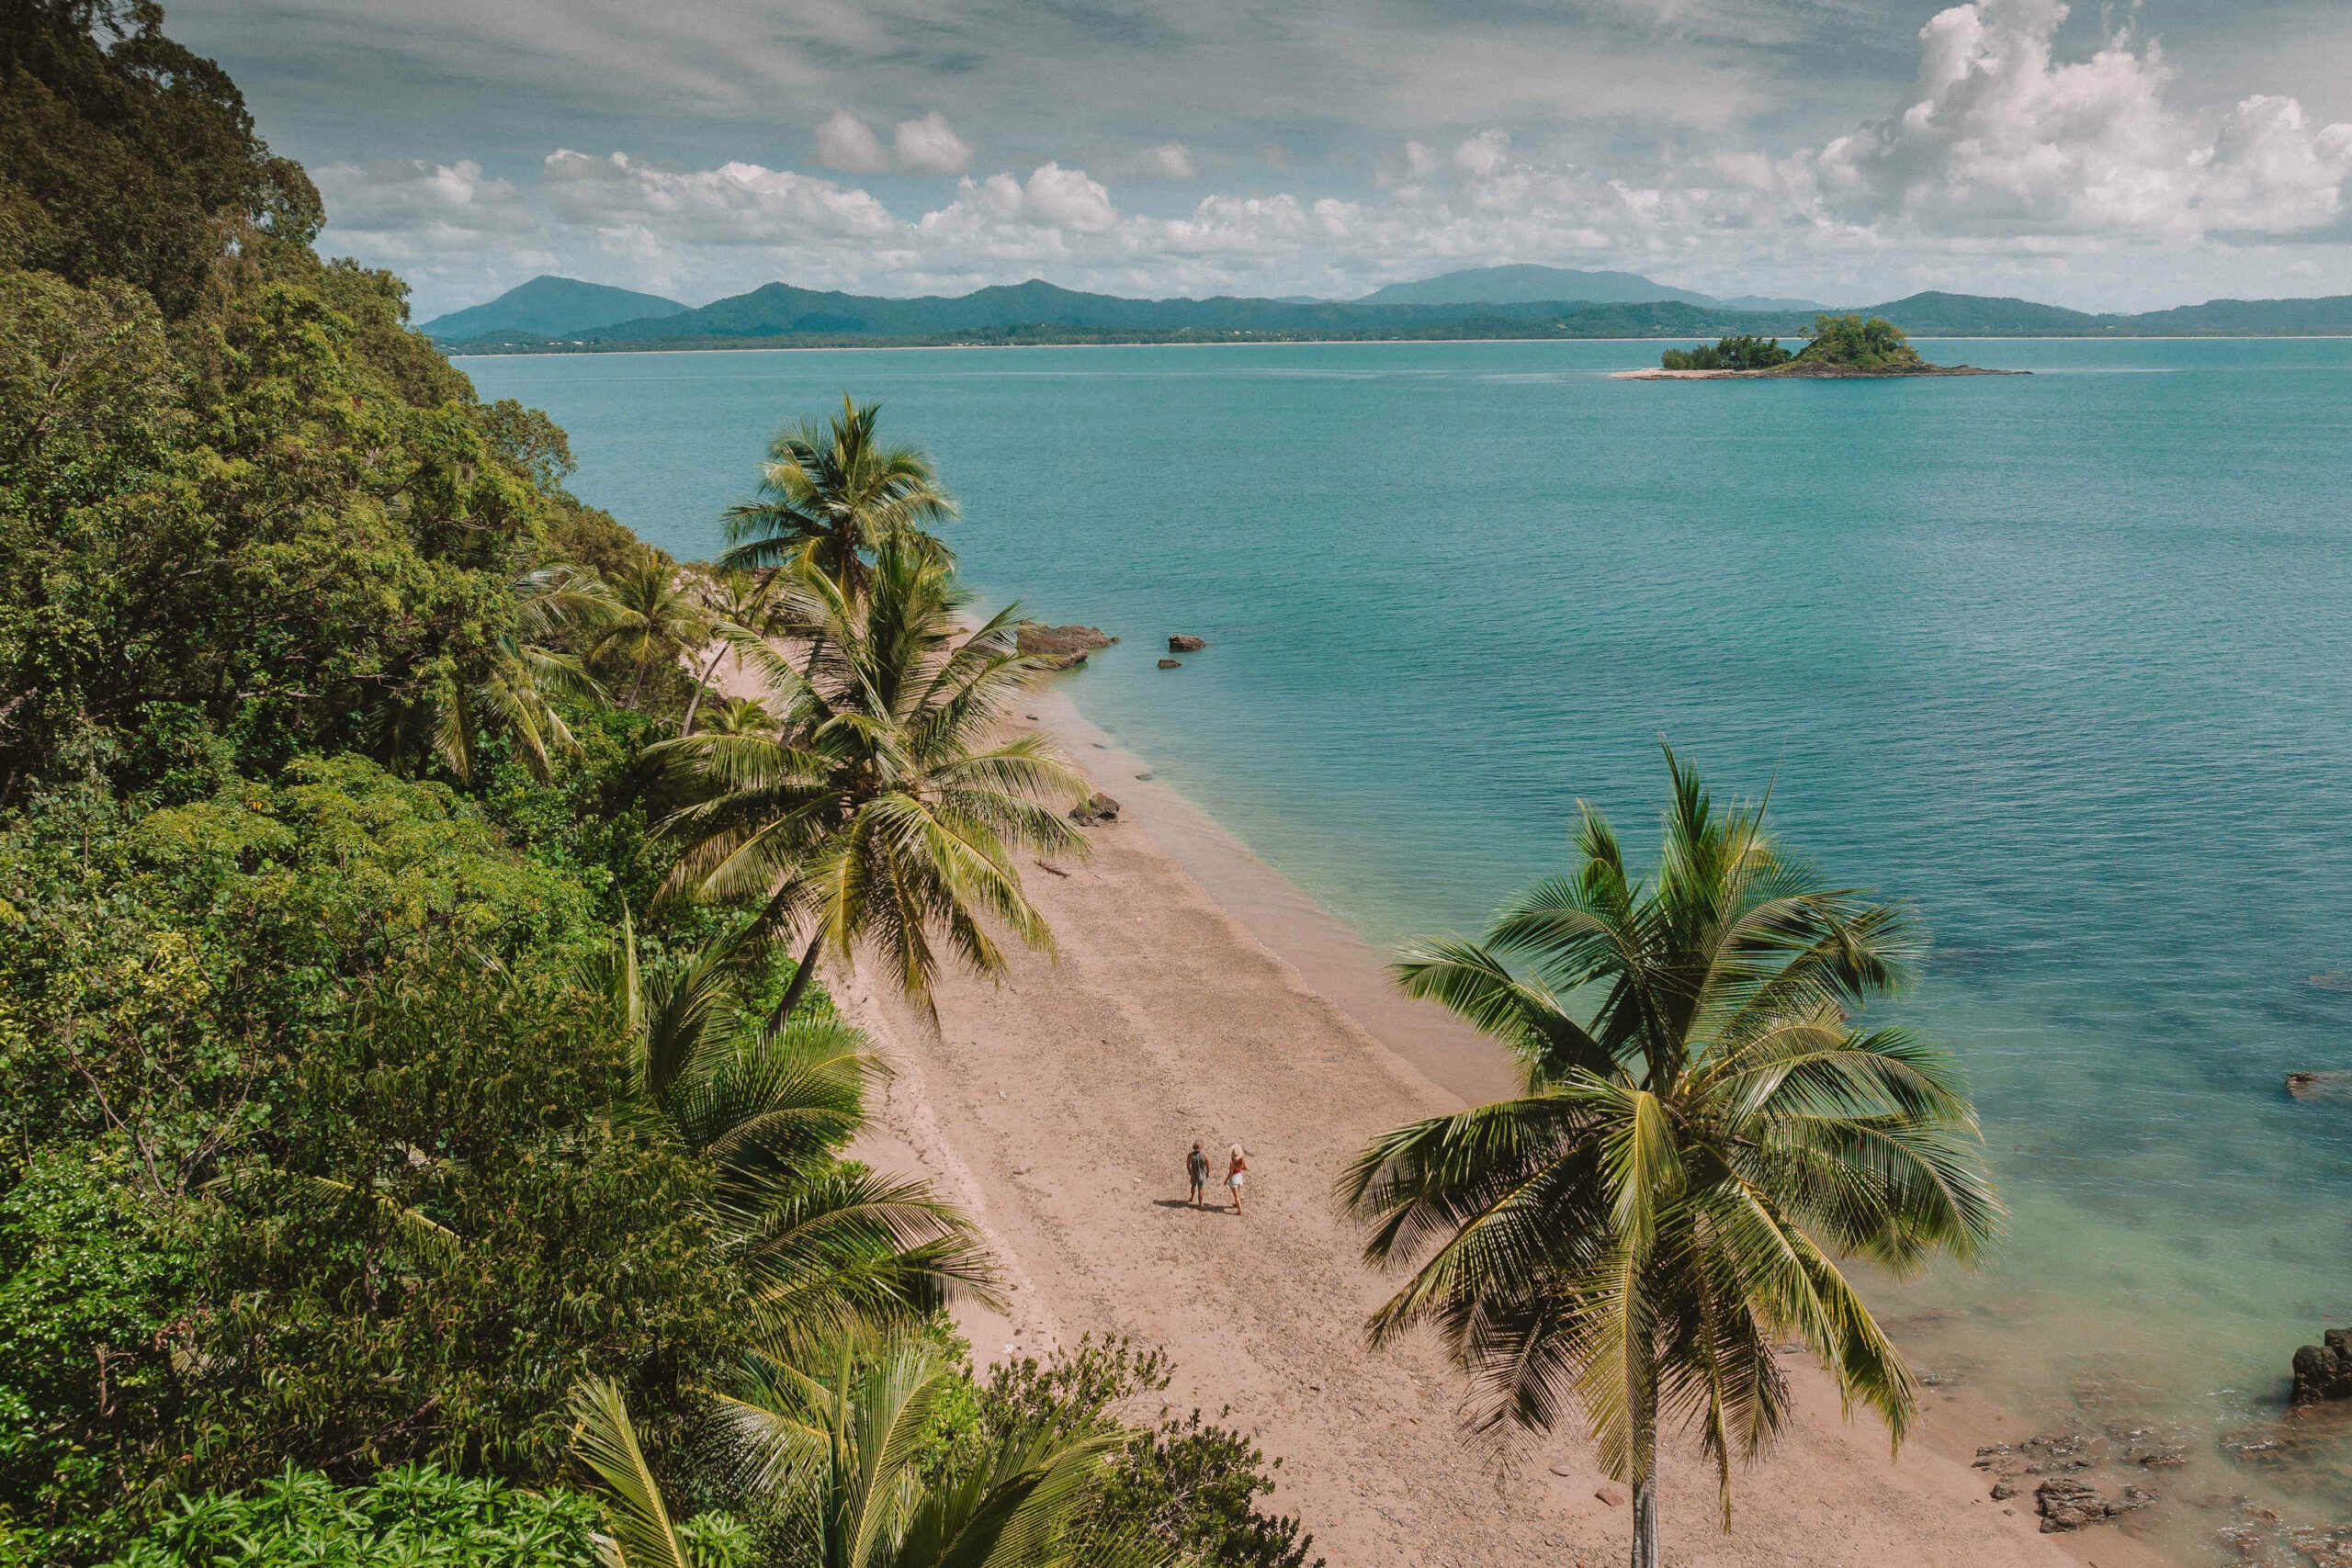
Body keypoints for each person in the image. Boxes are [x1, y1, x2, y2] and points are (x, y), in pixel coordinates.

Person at [1226, 1144, 1249, 1214]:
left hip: (1234, 1179)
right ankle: (1236, 1204)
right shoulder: (1242, 1160)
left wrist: (1226, 1180)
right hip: (1239, 1177)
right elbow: (1246, 1168)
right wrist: (1240, 1168)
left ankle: (1239, 1210)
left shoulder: (1232, 1163)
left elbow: (1231, 1173)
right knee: (1238, 1192)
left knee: (1236, 1196)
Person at [1186, 1140, 1209, 1208]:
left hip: (1194, 1173)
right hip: (1202, 1175)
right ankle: (1200, 1203)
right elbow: (1208, 1165)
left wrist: (1189, 1171)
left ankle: (1192, 1197)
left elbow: (1188, 1164)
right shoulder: (1204, 1156)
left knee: (1193, 1186)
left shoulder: (1190, 1155)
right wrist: (1207, 1173)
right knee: (1201, 1189)